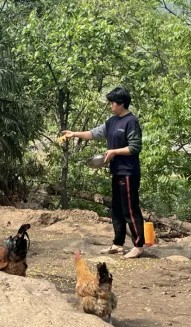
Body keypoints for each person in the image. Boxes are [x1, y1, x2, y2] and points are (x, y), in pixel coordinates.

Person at [62, 86, 144, 258]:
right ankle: (118, 244)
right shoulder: (112, 121)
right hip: (116, 171)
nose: (111, 106)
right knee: (116, 209)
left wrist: (114, 151)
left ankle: (138, 245)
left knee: (130, 209)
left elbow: (135, 147)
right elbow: (94, 133)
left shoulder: (131, 121)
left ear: (121, 104)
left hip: (129, 172)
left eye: (112, 103)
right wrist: (73, 134)